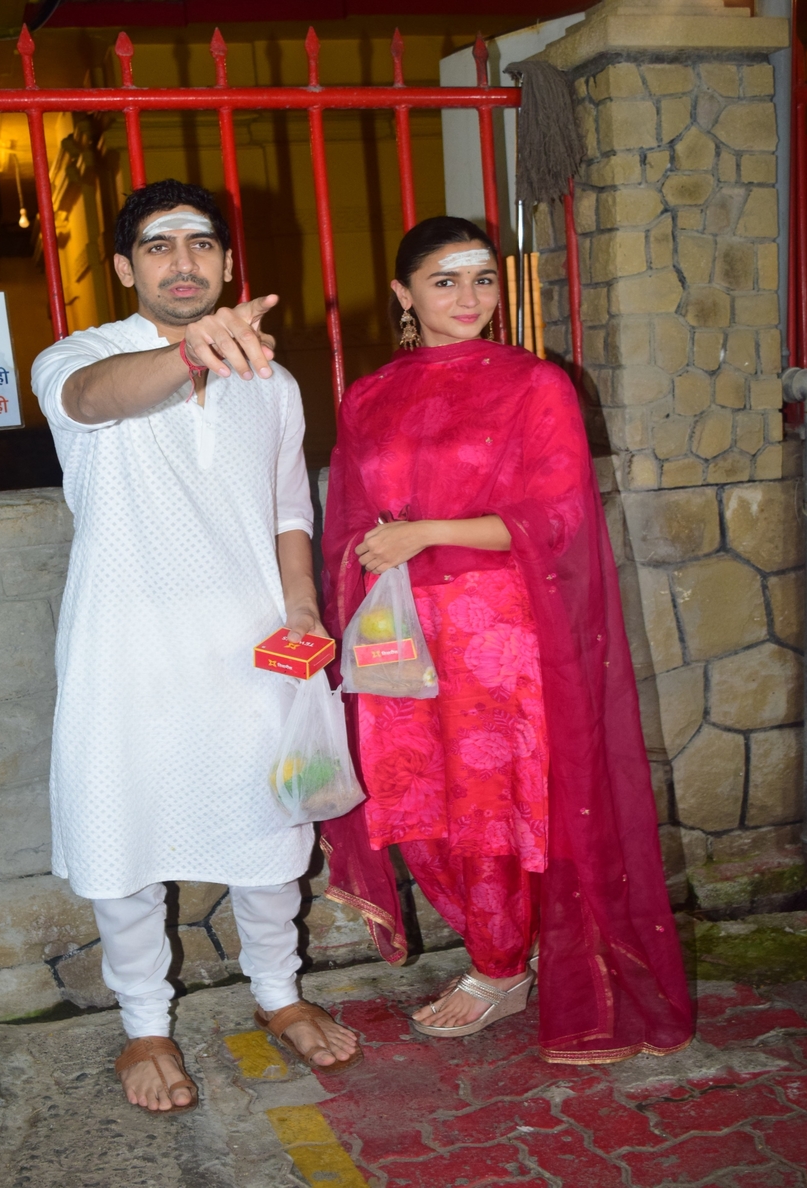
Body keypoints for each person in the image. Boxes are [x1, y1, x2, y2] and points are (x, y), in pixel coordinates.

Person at [321, 216, 693, 1063]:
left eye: (483, 278)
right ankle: (493, 950)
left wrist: (425, 533)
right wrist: (358, 574)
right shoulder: (367, 397)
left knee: (491, 808)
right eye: (445, 280)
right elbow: (348, 517)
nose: (469, 297)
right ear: (403, 293)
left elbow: (557, 518)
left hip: (496, 634)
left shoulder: (534, 384)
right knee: (413, 804)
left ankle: (497, 968)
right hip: (396, 630)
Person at [31, 179, 360, 1115]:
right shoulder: (78, 357)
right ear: (125, 267)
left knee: (274, 830)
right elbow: (93, 400)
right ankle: (144, 1024)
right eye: (160, 245)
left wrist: (302, 607)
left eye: (202, 244)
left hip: (251, 648)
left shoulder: (274, 381)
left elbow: (288, 508)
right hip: (125, 650)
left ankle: (279, 994)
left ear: (226, 261)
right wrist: (188, 351)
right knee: (125, 832)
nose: (185, 262)